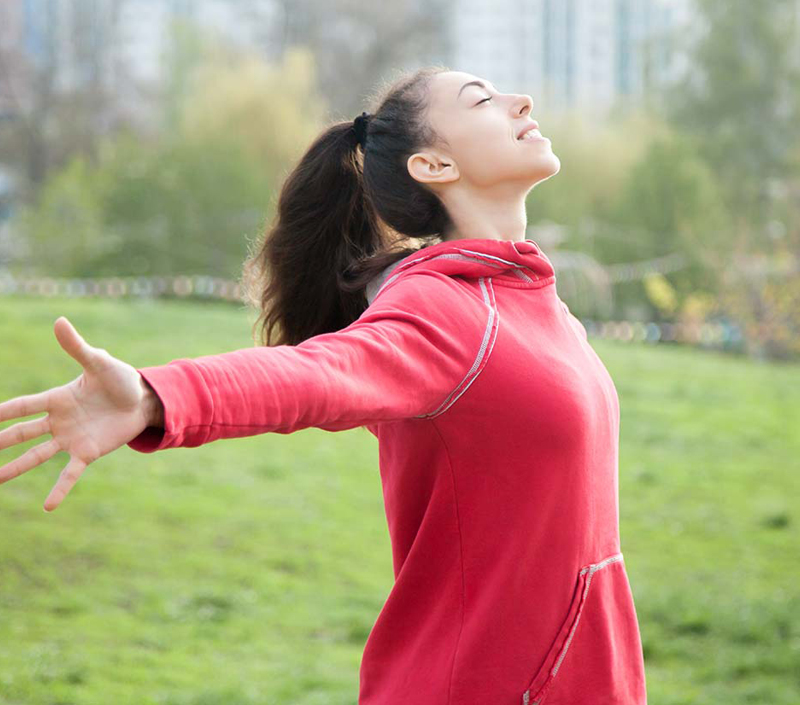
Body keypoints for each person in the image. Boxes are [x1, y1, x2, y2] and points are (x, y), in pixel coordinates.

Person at [0, 67, 648, 704]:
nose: (520, 100)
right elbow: (316, 371)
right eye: (481, 99)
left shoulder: (536, 305)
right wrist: (156, 395)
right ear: (434, 166)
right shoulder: (443, 308)